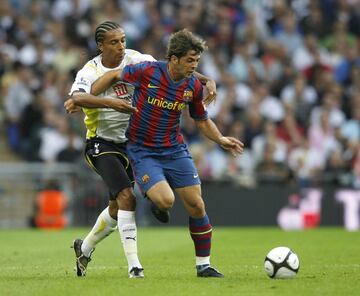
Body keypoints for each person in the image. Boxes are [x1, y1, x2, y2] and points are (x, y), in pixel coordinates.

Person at [64, 22, 218, 278]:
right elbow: (78, 98)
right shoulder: (89, 70)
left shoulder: (138, 59)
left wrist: (207, 80)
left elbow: (173, 67)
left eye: (123, 40)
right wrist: (110, 103)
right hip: (102, 142)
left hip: (133, 142)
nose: (121, 46)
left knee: (116, 207)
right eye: (114, 42)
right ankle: (134, 266)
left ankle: (85, 247)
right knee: (127, 197)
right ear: (101, 46)